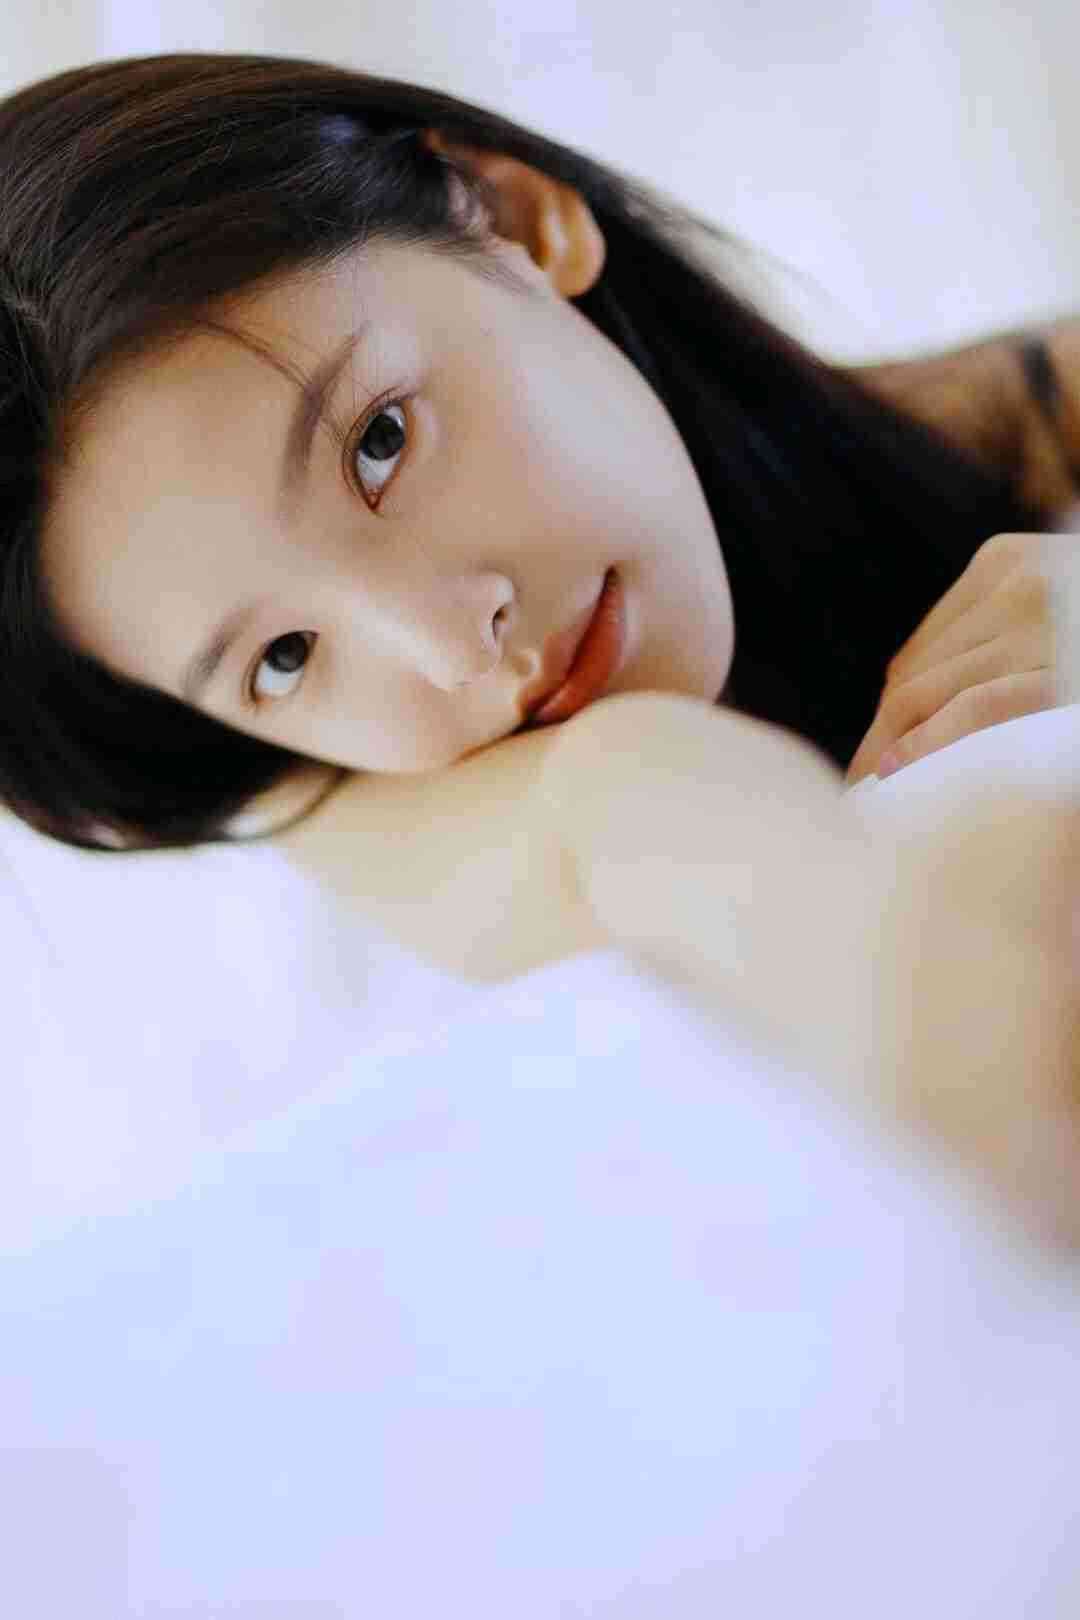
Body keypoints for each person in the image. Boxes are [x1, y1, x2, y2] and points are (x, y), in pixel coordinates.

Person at [2, 51, 1079, 1244]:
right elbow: (624, 808)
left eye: (379, 443)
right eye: (286, 658)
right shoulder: (352, 814)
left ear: (517, 220)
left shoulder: (1020, 419)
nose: (454, 650)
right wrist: (918, 981)